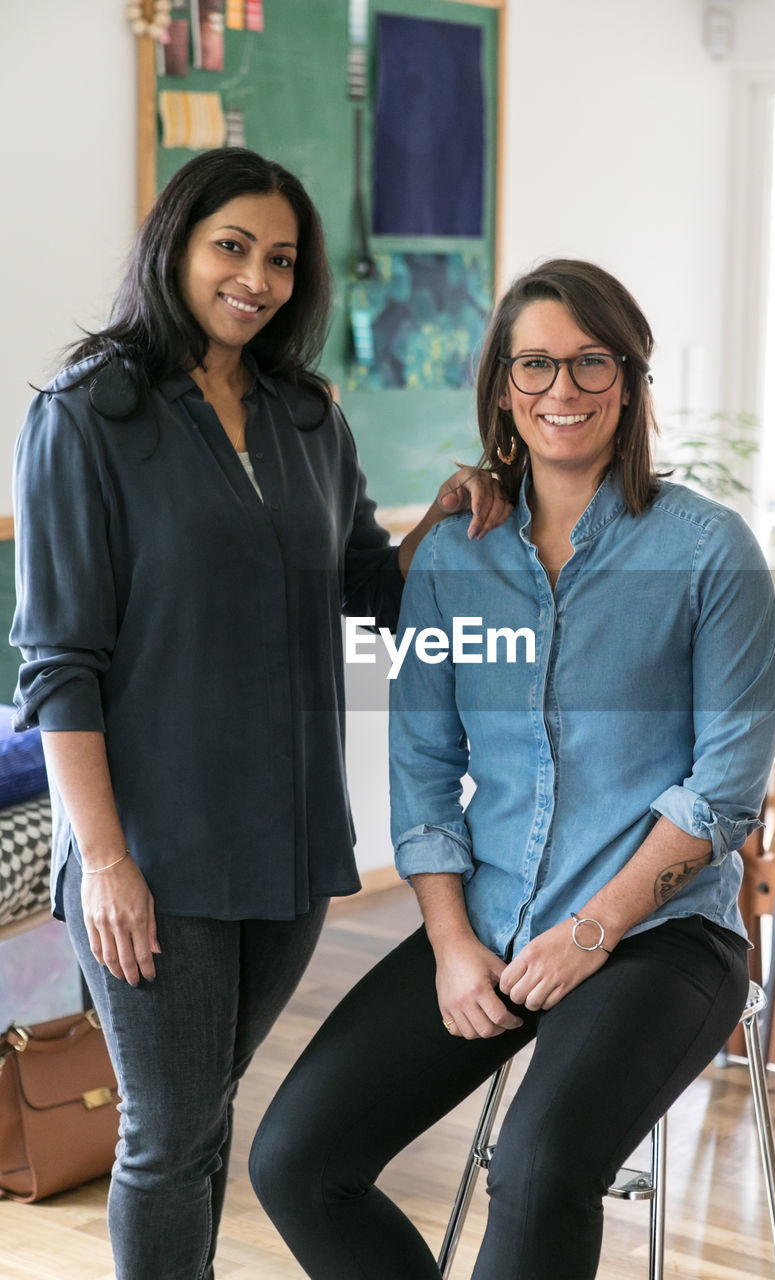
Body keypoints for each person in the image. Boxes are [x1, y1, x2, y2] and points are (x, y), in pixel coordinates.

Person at [10, 147, 509, 1280]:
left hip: (285, 846)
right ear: (176, 243)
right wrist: (107, 861)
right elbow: (59, 664)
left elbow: (371, 590)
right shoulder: (88, 414)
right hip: (156, 852)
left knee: (202, 1119)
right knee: (167, 1134)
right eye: (231, 246)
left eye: (280, 259)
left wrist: (442, 512)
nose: (257, 277)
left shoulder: (303, 413)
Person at [249, 259, 775, 1280]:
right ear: (501, 384)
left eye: (592, 362)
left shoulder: (709, 550)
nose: (562, 390)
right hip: (488, 924)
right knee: (295, 1158)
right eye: (535, 364)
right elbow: (421, 765)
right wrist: (450, 942)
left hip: (661, 936)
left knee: (536, 1168)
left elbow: (723, 787)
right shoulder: (458, 553)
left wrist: (592, 928)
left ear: (629, 380)